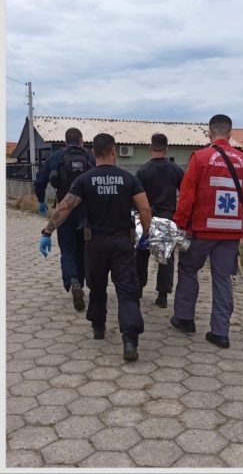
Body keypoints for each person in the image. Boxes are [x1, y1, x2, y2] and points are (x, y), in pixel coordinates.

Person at [38, 133, 151, 361]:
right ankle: (129, 341)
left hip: (95, 244)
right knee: (127, 291)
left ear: (93, 153)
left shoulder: (84, 180)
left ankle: (99, 327)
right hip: (123, 243)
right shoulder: (128, 179)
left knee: (97, 287)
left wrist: (47, 231)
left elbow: (65, 207)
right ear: (114, 151)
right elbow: (145, 209)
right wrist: (145, 236)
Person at [171, 114, 243, 348]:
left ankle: (184, 319)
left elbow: (187, 194)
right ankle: (220, 332)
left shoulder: (200, 158)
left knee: (189, 269)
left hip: (202, 230)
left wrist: (180, 223)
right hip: (231, 234)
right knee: (223, 279)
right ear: (230, 133)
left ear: (209, 133)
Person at [35, 127, 96, 311]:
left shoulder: (56, 156)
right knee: (83, 250)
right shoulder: (89, 157)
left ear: (65, 140)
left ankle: (73, 281)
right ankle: (81, 280)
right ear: (81, 140)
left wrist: (41, 200)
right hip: (87, 212)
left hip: (64, 210)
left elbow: (40, 180)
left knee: (68, 250)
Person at [135, 133, 185, 308]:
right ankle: (162, 295)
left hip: (145, 217)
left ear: (150, 148)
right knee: (165, 257)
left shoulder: (142, 170)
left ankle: (138, 289)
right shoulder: (176, 170)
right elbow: (185, 194)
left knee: (141, 254)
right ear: (166, 149)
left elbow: (135, 198)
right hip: (167, 216)